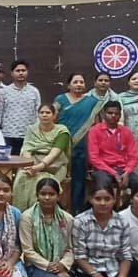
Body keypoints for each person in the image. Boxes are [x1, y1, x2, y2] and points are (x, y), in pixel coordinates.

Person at [55, 73, 101, 211]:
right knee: (60, 178)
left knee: (79, 179)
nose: (79, 84)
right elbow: (53, 118)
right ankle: (59, 209)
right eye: (75, 82)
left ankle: (77, 209)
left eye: (81, 82)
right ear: (69, 85)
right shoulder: (60, 99)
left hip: (83, 145)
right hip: (62, 144)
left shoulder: (92, 102)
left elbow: (97, 124)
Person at [13, 104, 71, 211]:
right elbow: (26, 148)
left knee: (42, 182)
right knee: (21, 177)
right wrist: (30, 166)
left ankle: (38, 213)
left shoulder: (62, 131)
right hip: (32, 163)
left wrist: (38, 168)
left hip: (54, 166)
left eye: (48, 113)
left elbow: (54, 154)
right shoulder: (32, 129)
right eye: (42, 112)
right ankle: (21, 214)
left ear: (54, 116)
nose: (44, 115)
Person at [87, 100, 138, 200]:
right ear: (103, 114)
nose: (113, 116)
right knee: (103, 186)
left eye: (116, 113)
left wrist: (127, 172)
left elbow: (133, 157)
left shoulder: (126, 131)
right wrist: (113, 173)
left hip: (123, 169)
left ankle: (124, 211)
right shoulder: (94, 130)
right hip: (102, 169)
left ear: (120, 115)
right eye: (110, 113)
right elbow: (94, 158)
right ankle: (105, 211)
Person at [0, 60, 40, 156]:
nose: (21, 73)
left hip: (28, 135)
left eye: (23, 70)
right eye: (18, 71)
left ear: (27, 72)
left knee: (25, 164)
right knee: (8, 164)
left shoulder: (34, 92)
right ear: (12, 73)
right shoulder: (4, 92)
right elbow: (0, 112)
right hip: (8, 134)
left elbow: (38, 112)